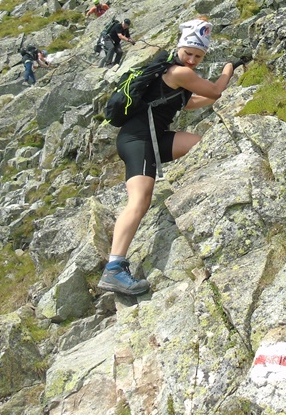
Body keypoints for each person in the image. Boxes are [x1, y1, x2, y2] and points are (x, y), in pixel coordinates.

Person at [98, 19, 248, 295]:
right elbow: (215, 90)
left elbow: (193, 102)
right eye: (188, 53)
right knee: (139, 200)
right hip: (139, 140)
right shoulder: (179, 72)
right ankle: (114, 269)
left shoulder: (171, 70)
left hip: (152, 138)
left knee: (200, 145)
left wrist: (217, 90)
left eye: (198, 56)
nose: (191, 60)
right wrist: (228, 69)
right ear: (180, 48)